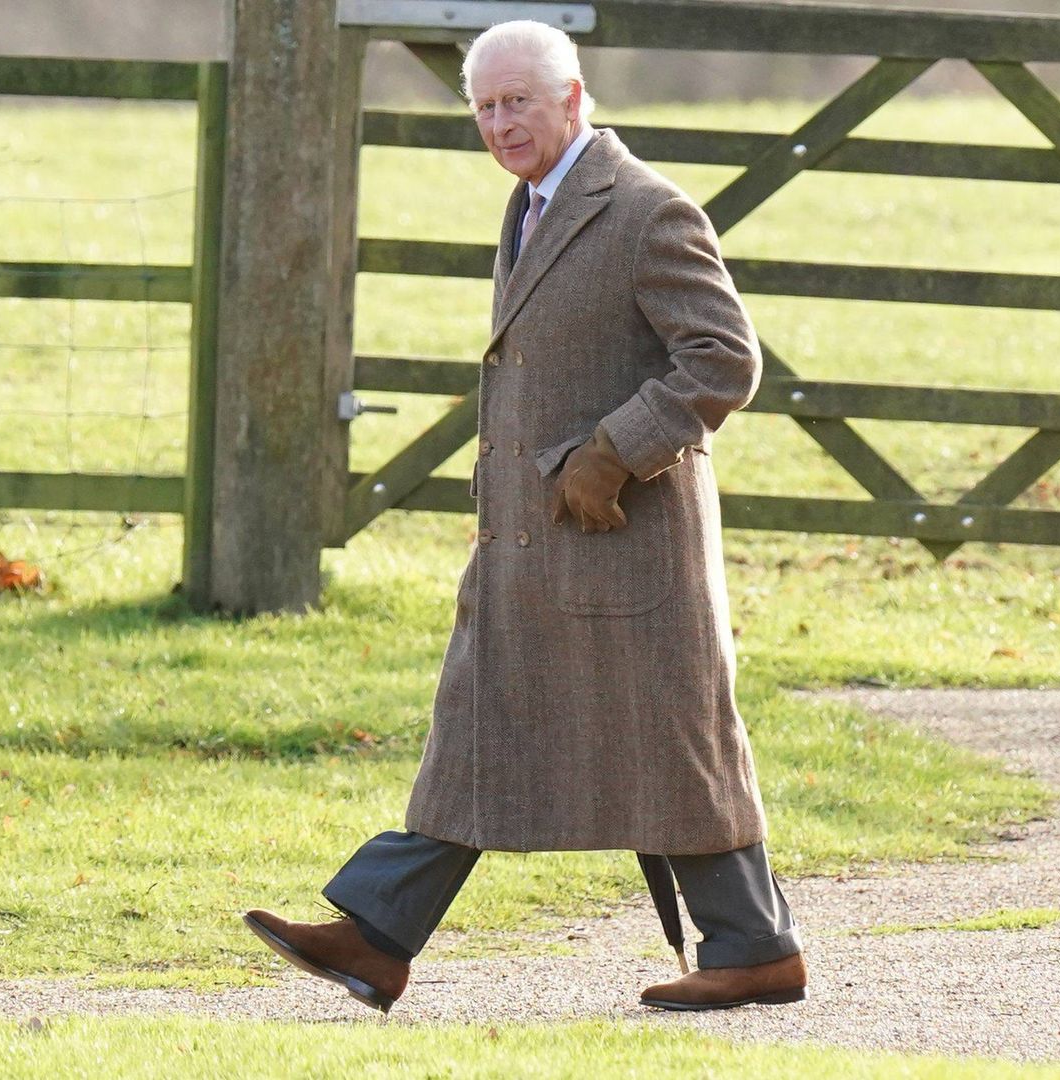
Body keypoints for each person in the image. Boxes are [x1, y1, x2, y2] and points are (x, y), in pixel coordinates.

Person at [243, 19, 804, 1014]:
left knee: (673, 743)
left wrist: (612, 452)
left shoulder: (643, 210)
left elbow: (725, 360)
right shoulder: (533, 203)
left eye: (519, 104)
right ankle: (378, 937)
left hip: (624, 545)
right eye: (486, 108)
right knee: (482, 724)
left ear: (574, 99)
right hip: (533, 544)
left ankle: (755, 947)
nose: (501, 124)